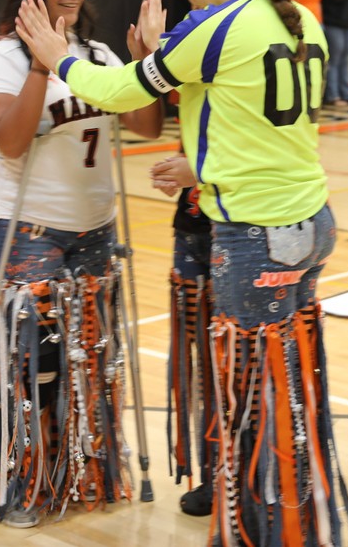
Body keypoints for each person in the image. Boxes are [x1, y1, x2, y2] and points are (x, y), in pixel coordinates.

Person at [16, 0, 348, 546]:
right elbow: (260, 126)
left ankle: (262, 532)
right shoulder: (298, 18)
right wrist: (164, 54)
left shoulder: (218, 24)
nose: (189, 5)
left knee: (249, 396)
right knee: (288, 384)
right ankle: (293, 522)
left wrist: (56, 57)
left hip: (255, 236)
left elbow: (120, 91)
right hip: (312, 222)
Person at [0, 0, 164, 528]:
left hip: (95, 229)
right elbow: (9, 139)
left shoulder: (99, 56)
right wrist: (40, 62)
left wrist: (145, 66)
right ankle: (21, 485)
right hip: (28, 229)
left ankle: (83, 474)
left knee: (91, 359)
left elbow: (147, 126)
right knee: (32, 362)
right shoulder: (1, 60)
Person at [151, 152, 215, 518]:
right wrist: (178, 172)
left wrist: (201, 169)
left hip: (243, 230)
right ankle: (214, 473)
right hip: (192, 230)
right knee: (201, 365)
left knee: (240, 361)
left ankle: (250, 475)